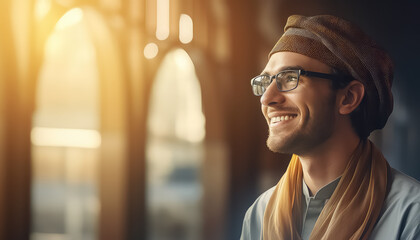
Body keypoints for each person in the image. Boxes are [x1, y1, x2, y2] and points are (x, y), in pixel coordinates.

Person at [240, 15, 420, 240]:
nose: (267, 98)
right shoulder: (260, 214)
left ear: (348, 98)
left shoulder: (410, 214)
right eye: (265, 82)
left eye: (289, 78)